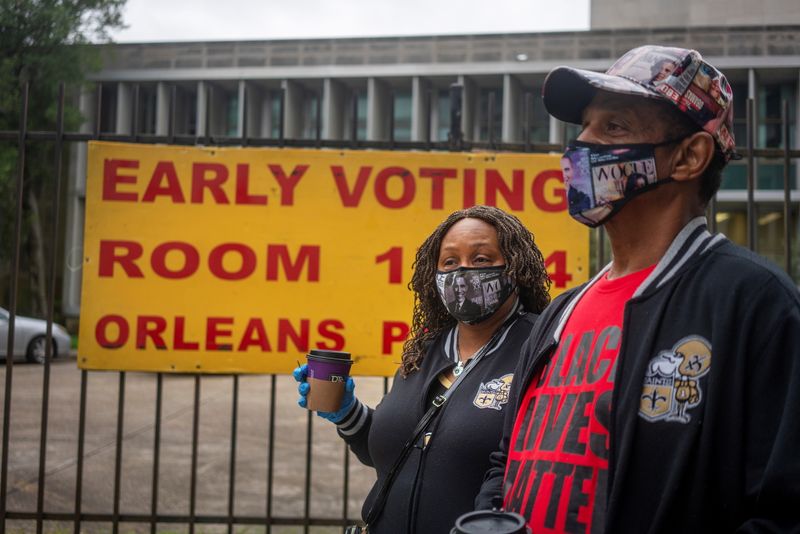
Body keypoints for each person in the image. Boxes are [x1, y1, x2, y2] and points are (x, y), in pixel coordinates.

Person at [476, 45, 800, 533]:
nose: (580, 145)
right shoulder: (562, 311)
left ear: (690, 157)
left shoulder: (754, 304)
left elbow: (785, 515)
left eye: (614, 127)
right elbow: (509, 458)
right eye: (583, 126)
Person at [294, 205, 551, 533]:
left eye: (481, 259)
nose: (462, 272)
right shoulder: (426, 350)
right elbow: (397, 453)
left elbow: (533, 469)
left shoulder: (539, 348)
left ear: (515, 268)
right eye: (450, 261)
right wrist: (346, 413)